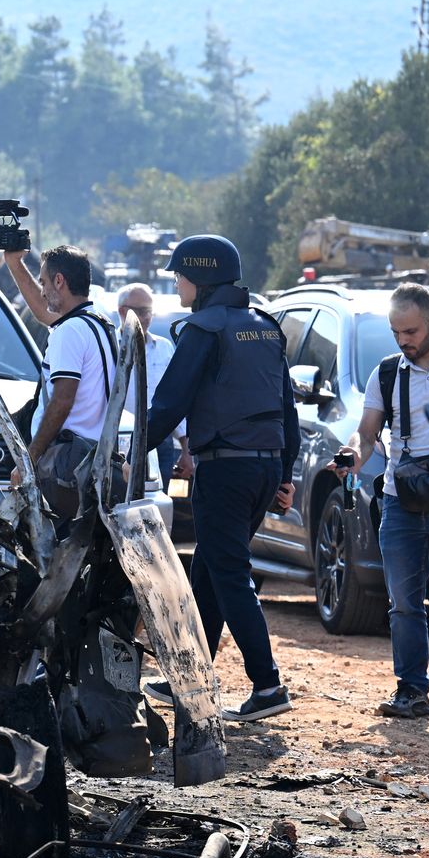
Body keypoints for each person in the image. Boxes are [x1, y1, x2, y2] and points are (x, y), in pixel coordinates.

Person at [138, 235, 298, 721]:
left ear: (200, 278)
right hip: (264, 466)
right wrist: (285, 473)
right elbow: (286, 408)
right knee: (209, 568)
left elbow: (170, 402)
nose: (176, 281)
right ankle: (191, 678)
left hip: (226, 468)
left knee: (228, 573)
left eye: (180, 273)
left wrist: (126, 451)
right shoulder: (265, 328)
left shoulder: (202, 329)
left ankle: (267, 686)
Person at [335, 283, 429, 719]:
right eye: (396, 333)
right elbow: (367, 429)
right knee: (403, 603)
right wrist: (354, 456)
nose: (404, 341)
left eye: (411, 331)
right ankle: (412, 691)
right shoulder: (387, 372)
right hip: (401, 499)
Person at [0, 244, 116, 519]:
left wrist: (30, 457)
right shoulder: (98, 322)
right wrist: (14, 263)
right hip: (93, 458)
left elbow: (62, 400)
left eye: (43, 282)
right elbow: (43, 311)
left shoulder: (70, 331)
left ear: (60, 281)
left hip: (67, 464)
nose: (41, 290)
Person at [114, 283, 192, 484]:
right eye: (140, 311)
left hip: (159, 442)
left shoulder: (164, 348)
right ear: (122, 311)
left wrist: (186, 449)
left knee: (155, 507)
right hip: (118, 441)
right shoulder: (109, 346)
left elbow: (176, 399)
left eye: (149, 311)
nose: (147, 317)